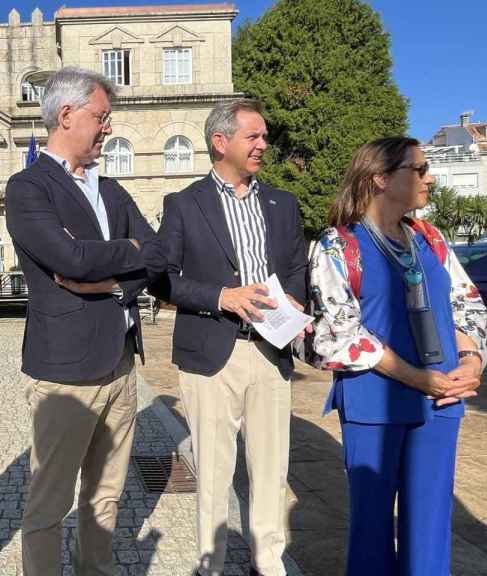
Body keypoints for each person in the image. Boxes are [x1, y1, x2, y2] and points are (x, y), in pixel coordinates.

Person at [5, 66, 164, 575]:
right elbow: (69, 260)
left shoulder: (112, 191)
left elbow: (156, 256)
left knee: (106, 497)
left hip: (120, 367)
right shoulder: (28, 187)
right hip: (65, 374)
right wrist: (127, 253)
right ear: (67, 115)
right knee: (49, 506)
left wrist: (115, 280)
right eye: (101, 117)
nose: (108, 127)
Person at [309, 136, 487, 575]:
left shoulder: (432, 239)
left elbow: (468, 303)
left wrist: (470, 361)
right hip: (375, 404)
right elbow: (338, 334)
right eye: (419, 170)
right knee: (371, 530)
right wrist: (416, 377)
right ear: (381, 179)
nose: (430, 178)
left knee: (430, 526)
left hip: (442, 401)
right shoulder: (337, 246)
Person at [154, 98, 307, 576]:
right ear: (221, 142)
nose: (264, 144)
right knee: (215, 472)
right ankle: (211, 563)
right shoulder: (184, 204)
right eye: (253, 136)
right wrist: (222, 296)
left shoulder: (283, 203)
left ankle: (269, 560)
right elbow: (162, 278)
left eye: (264, 136)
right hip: (211, 352)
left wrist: (298, 300)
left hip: (271, 350)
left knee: (271, 467)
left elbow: (298, 265)